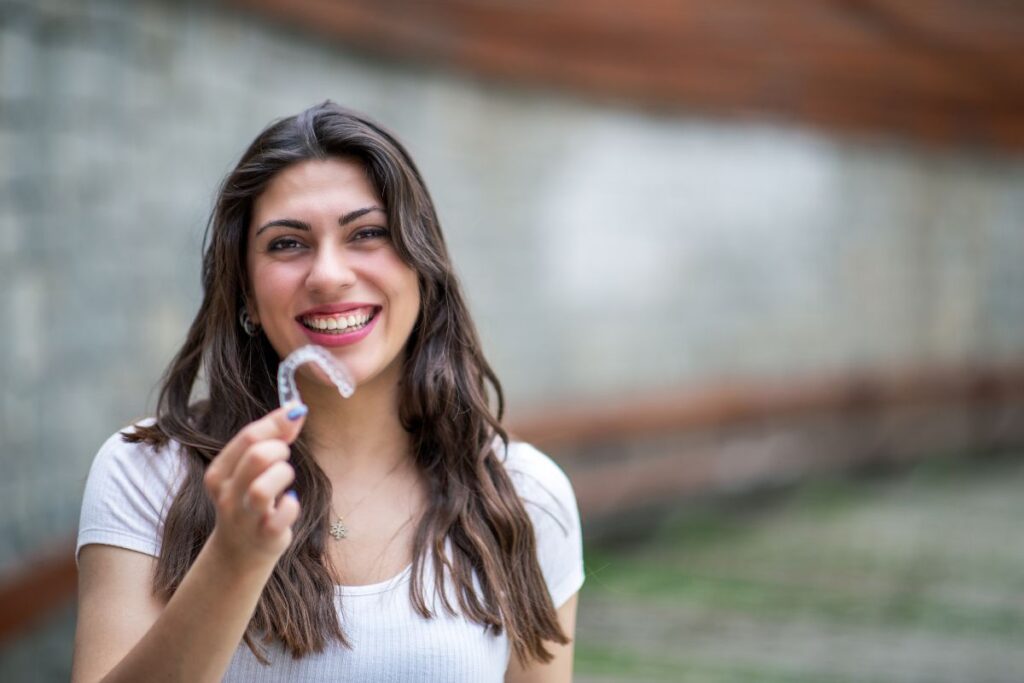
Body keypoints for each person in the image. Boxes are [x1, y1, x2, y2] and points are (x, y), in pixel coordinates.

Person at [72, 102, 584, 682]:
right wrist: (234, 559)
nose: (329, 275)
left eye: (367, 234)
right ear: (244, 291)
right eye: (287, 244)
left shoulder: (527, 497)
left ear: (423, 266)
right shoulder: (145, 474)